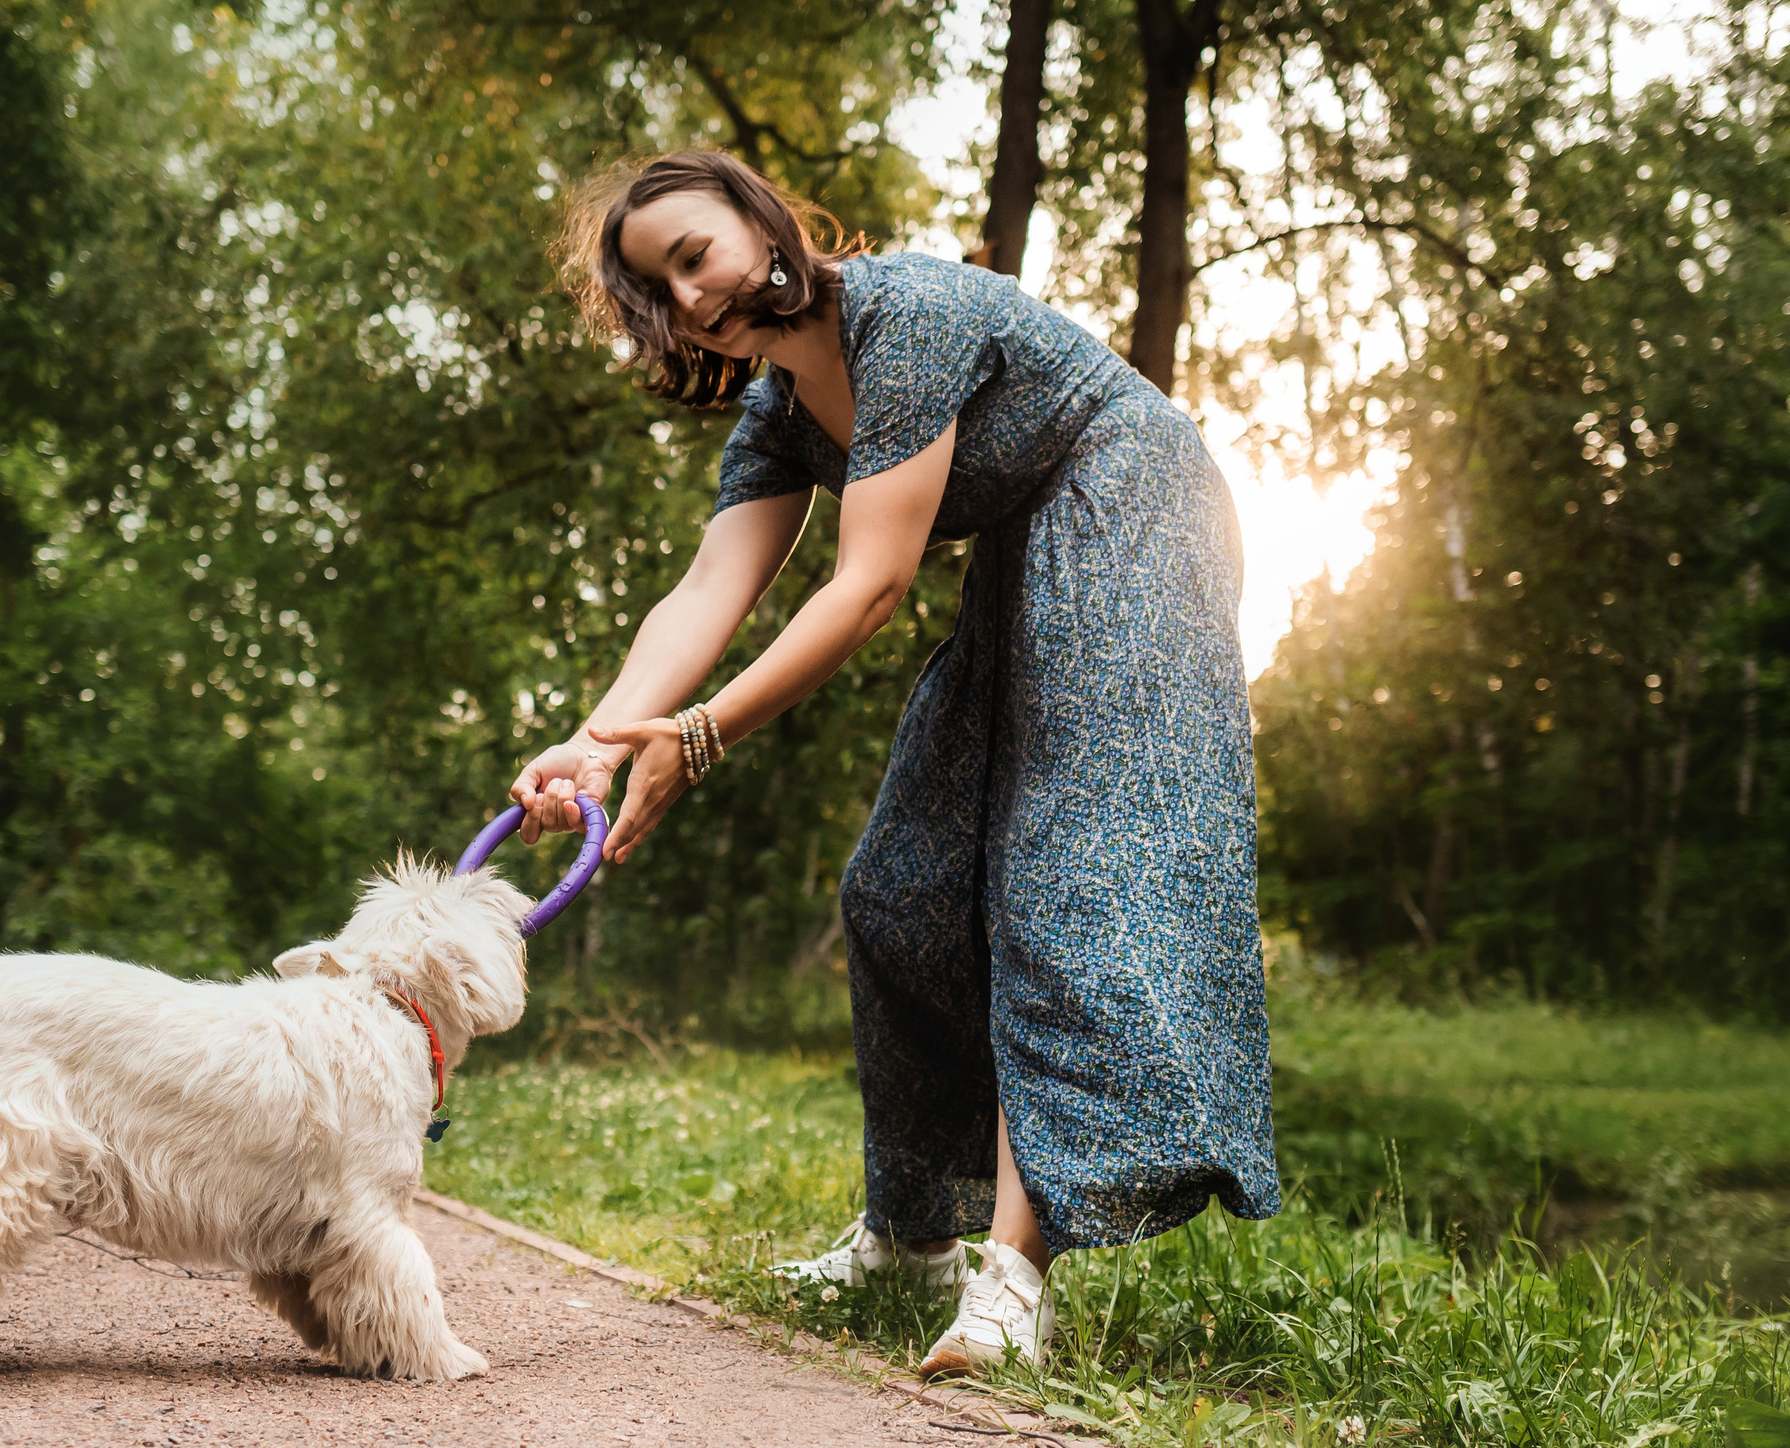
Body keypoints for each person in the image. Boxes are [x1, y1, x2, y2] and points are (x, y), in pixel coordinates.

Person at [510, 150, 1278, 1375]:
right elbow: (709, 586)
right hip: (1029, 543)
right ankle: (910, 1231)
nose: (692, 295)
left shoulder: (904, 314)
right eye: (661, 289)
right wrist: (598, 744)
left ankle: (1011, 1286)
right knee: (898, 887)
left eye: (693, 252)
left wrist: (699, 736)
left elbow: (868, 588)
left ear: (756, 217)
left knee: (1061, 884)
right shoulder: (777, 415)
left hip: (1134, 503)